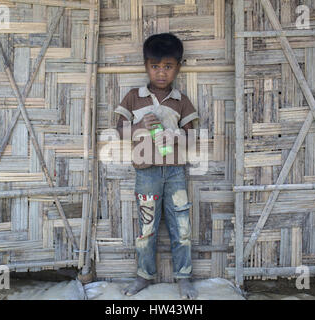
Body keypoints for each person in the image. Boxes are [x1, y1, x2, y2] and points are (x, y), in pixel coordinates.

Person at [114, 33, 199, 299]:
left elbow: (193, 138)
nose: (161, 72)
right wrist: (139, 127)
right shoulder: (133, 97)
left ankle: (184, 278)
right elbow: (118, 132)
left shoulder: (181, 100)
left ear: (178, 68)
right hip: (146, 173)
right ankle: (144, 276)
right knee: (146, 228)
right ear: (146, 66)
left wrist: (175, 136)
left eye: (168, 66)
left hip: (175, 173)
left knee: (181, 227)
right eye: (155, 66)